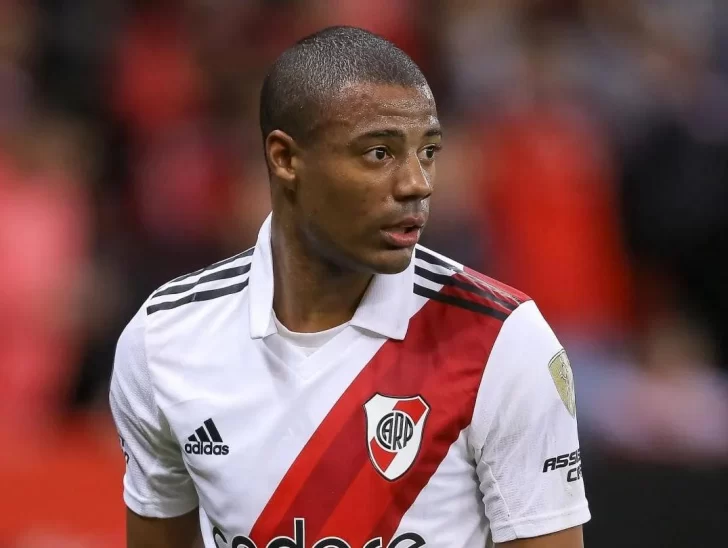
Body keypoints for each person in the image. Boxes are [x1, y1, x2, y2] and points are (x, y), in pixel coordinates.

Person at [109, 26, 590, 548]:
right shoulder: (164, 340)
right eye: (379, 153)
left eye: (428, 151)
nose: (417, 183)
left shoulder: (503, 341)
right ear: (285, 158)